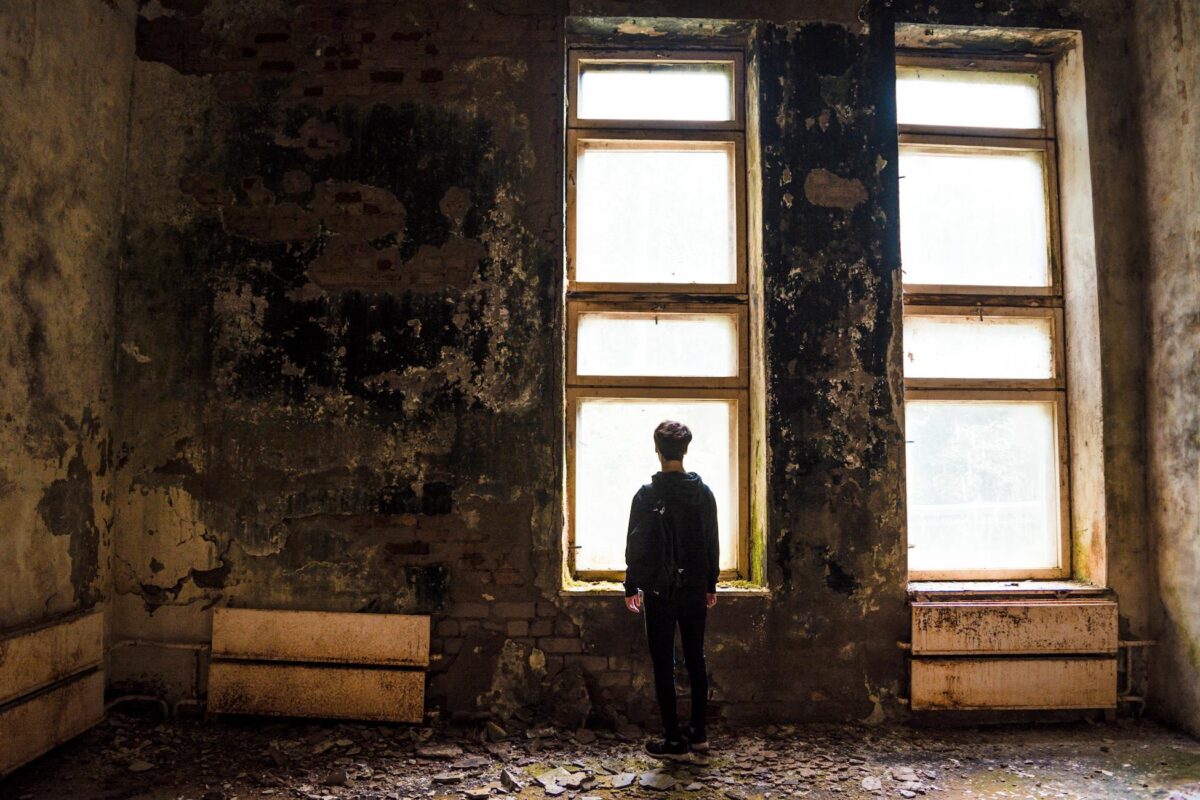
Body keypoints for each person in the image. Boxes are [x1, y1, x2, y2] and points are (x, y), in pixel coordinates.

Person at [624, 420, 719, 761]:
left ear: (657, 449)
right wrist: (710, 583)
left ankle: (674, 741)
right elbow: (711, 541)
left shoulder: (647, 495)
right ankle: (699, 735)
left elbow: (635, 545)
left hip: (661, 592)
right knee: (696, 660)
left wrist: (631, 585)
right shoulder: (703, 493)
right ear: (686, 449)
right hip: (694, 588)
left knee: (664, 663)